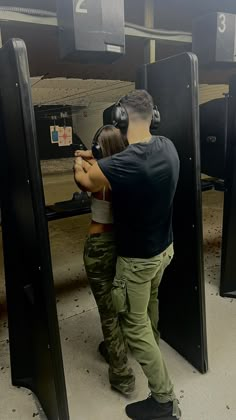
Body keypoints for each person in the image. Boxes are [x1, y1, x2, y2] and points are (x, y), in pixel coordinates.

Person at [74, 90, 181, 420]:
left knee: (132, 324)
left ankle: (163, 400)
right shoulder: (168, 147)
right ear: (154, 116)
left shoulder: (123, 163)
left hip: (138, 260)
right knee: (151, 304)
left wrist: (80, 159)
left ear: (120, 118)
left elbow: (85, 180)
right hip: (165, 251)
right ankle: (154, 343)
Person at [77, 125, 136, 396]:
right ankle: (118, 347)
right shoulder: (127, 170)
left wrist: (79, 159)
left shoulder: (95, 174)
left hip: (99, 247)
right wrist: (93, 155)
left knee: (108, 314)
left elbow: (81, 179)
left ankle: (122, 375)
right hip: (122, 244)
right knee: (120, 304)